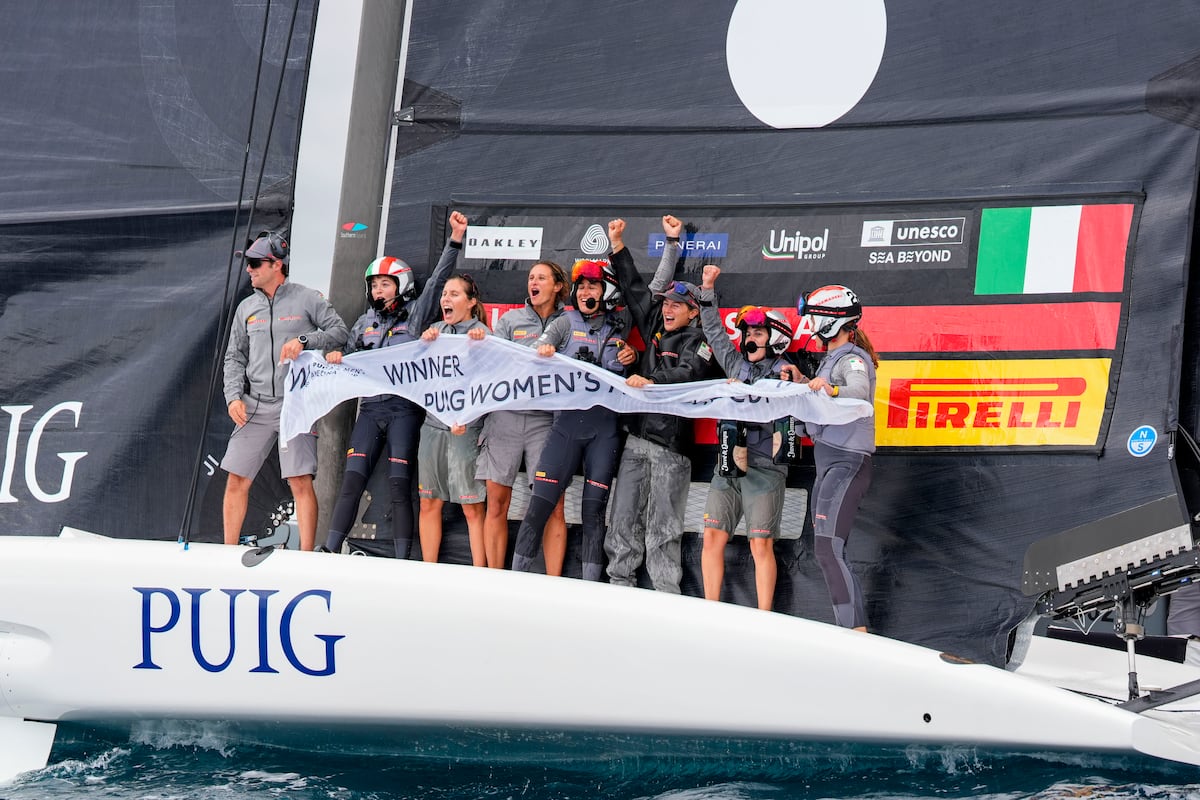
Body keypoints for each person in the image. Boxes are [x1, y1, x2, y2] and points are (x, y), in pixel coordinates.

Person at [320, 211, 469, 556]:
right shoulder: (364, 322)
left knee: (400, 485)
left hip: (404, 411)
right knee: (352, 480)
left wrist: (455, 239)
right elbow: (347, 353)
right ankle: (329, 548)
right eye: (374, 284)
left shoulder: (417, 314)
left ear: (402, 285)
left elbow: (436, 282)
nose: (378, 289)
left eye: (385, 283)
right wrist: (336, 354)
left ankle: (402, 558)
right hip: (370, 410)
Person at [605, 215, 717, 592]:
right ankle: (619, 585)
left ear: (693, 311)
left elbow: (689, 373)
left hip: (672, 448)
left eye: (677, 304)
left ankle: (666, 597)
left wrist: (649, 377)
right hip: (636, 440)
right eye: (666, 302)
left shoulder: (701, 340)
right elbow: (635, 288)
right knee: (622, 521)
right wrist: (617, 244)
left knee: (663, 528)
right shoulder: (654, 325)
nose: (668, 308)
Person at [510, 256, 637, 580]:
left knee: (593, 512)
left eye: (591, 285)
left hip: (604, 432)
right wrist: (543, 351)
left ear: (606, 289)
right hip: (565, 428)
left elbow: (643, 290)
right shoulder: (565, 322)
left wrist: (632, 357)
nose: (583, 292)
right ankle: (514, 582)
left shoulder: (620, 327)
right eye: (580, 286)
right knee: (539, 506)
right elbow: (538, 347)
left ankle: (590, 592)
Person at [221, 230, 349, 551]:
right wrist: (233, 396)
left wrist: (305, 341)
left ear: (276, 264)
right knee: (237, 479)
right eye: (247, 263)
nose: (248, 269)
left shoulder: (306, 298)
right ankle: (226, 553)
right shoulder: (246, 308)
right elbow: (234, 356)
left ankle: (305, 558)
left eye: (254, 263)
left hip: (296, 404)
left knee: (299, 482)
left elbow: (339, 332)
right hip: (255, 404)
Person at [698, 264, 795, 610]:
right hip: (728, 465)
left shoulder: (787, 370)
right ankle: (711, 610)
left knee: (760, 544)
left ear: (777, 337)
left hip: (766, 469)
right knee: (711, 536)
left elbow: (803, 394)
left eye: (757, 333)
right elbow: (713, 331)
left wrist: (792, 380)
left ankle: (763, 617)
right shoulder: (735, 364)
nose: (748, 338)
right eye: (746, 333)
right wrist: (707, 289)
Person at [475, 260, 570, 570]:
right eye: (531, 277)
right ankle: (495, 578)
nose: (534, 282)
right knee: (497, 503)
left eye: (541, 277)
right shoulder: (511, 320)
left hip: (546, 421)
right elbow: (491, 362)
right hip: (505, 417)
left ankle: (554, 583)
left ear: (557, 286)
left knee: (554, 505)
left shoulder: (571, 322)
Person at [798, 284, 879, 631]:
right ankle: (852, 630)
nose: (811, 324)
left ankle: (855, 632)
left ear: (833, 322)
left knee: (829, 549)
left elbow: (858, 392)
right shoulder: (829, 361)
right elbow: (814, 422)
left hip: (846, 462)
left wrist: (828, 389)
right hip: (830, 461)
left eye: (815, 317)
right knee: (826, 550)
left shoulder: (852, 359)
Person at [417, 274, 490, 565]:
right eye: (444, 294)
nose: (446, 299)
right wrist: (423, 346)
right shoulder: (434, 331)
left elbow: (493, 386)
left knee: (472, 507)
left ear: (471, 302)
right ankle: (428, 570)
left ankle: (480, 573)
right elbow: (414, 376)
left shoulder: (484, 334)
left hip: (465, 429)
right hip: (433, 426)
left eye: (455, 294)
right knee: (429, 502)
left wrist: (483, 346)